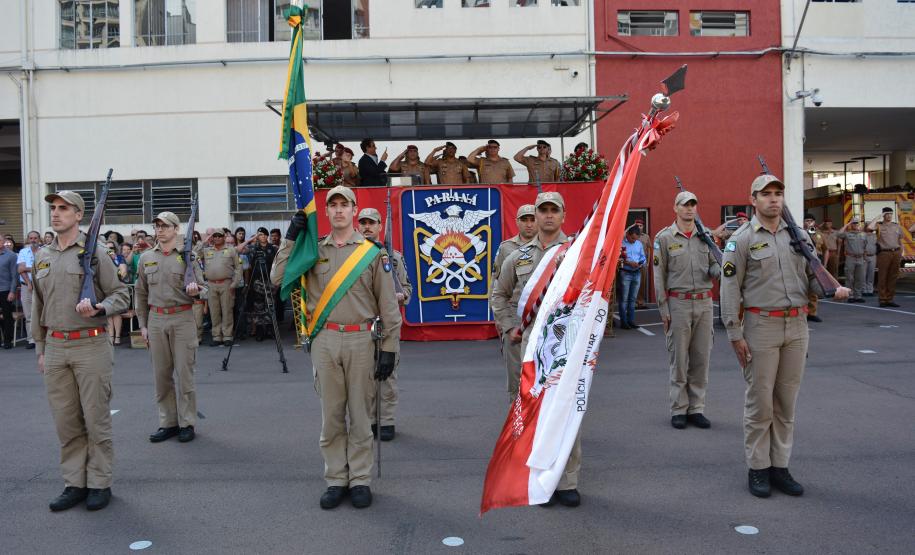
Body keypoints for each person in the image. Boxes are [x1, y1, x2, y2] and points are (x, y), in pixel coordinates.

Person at [270, 185, 401, 510]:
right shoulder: (312, 249)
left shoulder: (372, 253)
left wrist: (388, 349)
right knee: (331, 416)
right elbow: (278, 278)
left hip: (361, 340)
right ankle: (336, 479)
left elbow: (388, 307)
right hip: (325, 340)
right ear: (326, 211)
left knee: (360, 415)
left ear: (354, 210)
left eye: (345, 204)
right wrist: (290, 239)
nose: (339, 210)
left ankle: (360, 479)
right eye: (334, 205)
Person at [720, 174, 850, 499]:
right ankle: (758, 468)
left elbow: (811, 277)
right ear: (753, 199)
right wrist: (734, 334)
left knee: (786, 403)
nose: (773, 199)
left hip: (797, 327)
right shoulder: (741, 240)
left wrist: (832, 288)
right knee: (760, 402)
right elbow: (729, 289)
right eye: (766, 194)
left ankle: (780, 466)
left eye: (778, 193)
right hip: (760, 326)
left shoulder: (799, 236)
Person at [32, 190, 130, 511]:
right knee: (66, 421)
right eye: (54, 208)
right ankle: (74, 483)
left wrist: (101, 307)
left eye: (64, 208)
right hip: (56, 346)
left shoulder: (95, 253)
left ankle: (99, 482)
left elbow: (121, 295)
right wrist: (41, 348)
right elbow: (37, 305)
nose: (56, 213)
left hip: (90, 343)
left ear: (78, 215)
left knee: (96, 418)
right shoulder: (43, 255)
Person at [492, 192, 583, 507]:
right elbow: (499, 293)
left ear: (563, 215)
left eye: (553, 210)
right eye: (542, 210)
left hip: (564, 341)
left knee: (564, 408)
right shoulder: (517, 256)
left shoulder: (577, 252)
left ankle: (567, 479)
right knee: (531, 408)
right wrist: (508, 327)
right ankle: (536, 478)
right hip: (528, 343)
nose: (547, 215)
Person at [135, 211, 207, 444]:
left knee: (185, 374)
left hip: (182, 317)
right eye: (157, 225)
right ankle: (168, 423)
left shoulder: (188, 256)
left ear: (176, 229)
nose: (160, 229)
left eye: (165, 226)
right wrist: (142, 324)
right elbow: (140, 293)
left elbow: (204, 288)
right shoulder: (146, 257)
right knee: (161, 376)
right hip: (156, 319)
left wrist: (196, 291)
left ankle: (187, 423)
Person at [653, 191, 719, 430]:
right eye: (684, 205)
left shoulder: (705, 236)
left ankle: (696, 408)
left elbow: (714, 266)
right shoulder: (664, 238)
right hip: (678, 303)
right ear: (675, 208)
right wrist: (663, 309)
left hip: (704, 303)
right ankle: (679, 409)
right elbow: (659, 276)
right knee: (679, 360)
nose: (689, 208)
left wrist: (725, 269)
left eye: (693, 204)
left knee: (701, 359)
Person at [357, 207, 412, 442]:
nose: (367, 227)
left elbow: (407, 289)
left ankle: (386, 420)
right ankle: (369, 419)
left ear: (380, 226)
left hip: (387, 323)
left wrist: (399, 296)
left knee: (387, 374)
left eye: (372, 223)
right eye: (363, 223)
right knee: (364, 375)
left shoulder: (393, 257)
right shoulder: (352, 257)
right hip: (362, 324)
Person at [201, 229, 241, 347]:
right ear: (212, 238)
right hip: (211, 284)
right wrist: (204, 242)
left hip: (226, 284)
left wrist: (235, 283)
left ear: (224, 237)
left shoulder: (231, 250)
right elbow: (193, 253)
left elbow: (238, 268)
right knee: (214, 312)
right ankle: (217, 336)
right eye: (215, 236)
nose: (217, 238)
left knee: (227, 310)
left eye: (220, 236)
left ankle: (227, 336)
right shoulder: (207, 250)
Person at [867, 207, 904, 308]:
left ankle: (890, 299)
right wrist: (878, 217)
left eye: (891, 214)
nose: (889, 216)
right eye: (887, 214)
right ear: (883, 215)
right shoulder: (879, 225)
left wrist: (901, 253)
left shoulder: (897, 226)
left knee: (893, 277)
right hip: (884, 253)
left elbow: (900, 241)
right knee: (883, 277)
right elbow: (870, 227)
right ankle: (882, 299)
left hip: (896, 252)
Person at [492, 205, 537, 282]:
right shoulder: (505, 247)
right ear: (517, 222)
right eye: (524, 220)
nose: (529, 225)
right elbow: (496, 278)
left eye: (533, 220)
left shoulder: (549, 247)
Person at [248, 227, 278, 341]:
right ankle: (260, 330)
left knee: (270, 305)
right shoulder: (253, 248)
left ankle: (270, 329)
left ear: (267, 236)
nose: (263, 236)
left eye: (265, 234)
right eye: (260, 235)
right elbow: (240, 251)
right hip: (257, 281)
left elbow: (277, 264)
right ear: (257, 236)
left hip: (270, 280)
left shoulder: (273, 248)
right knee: (258, 306)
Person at [16, 230, 42, 349]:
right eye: (31, 238)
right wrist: (28, 283)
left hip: (41, 285)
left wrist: (27, 268)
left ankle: (42, 338)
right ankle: (31, 339)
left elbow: (45, 267)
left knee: (42, 313)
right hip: (27, 286)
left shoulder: (44, 251)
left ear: (39, 239)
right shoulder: (23, 252)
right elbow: (20, 270)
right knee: (29, 315)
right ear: (28, 239)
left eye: (35, 238)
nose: (33, 240)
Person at [618, 226, 646, 330]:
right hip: (625, 273)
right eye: (632, 238)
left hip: (637, 272)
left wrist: (641, 263)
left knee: (633, 299)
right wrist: (629, 263)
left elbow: (643, 257)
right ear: (627, 235)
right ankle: (624, 322)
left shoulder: (639, 244)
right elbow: (618, 258)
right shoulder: (621, 243)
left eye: (636, 239)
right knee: (624, 299)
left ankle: (631, 320)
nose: (634, 241)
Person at [802, 214, 827, 322]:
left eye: (811, 220)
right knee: (802, 288)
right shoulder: (799, 232)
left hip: (816, 261)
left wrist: (824, 264)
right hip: (803, 261)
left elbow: (826, 249)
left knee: (813, 289)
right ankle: (802, 312)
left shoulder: (818, 234)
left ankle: (812, 313)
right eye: (807, 220)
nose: (809, 222)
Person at [836, 218, 867, 303]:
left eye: (857, 223)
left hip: (860, 258)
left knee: (859, 278)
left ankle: (858, 296)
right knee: (849, 278)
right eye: (854, 223)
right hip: (851, 258)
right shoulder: (847, 234)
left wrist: (865, 259)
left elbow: (865, 247)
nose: (855, 225)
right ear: (851, 224)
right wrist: (847, 224)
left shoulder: (863, 234)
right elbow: (839, 234)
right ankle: (850, 295)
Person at [105, 241, 129, 346]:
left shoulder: (119, 257)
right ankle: (111, 336)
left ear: (115, 248)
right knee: (108, 312)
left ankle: (117, 337)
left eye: (111, 248)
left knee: (116, 312)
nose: (109, 250)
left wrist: (114, 258)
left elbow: (123, 273)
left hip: (118, 287)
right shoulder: (103, 258)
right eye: (107, 248)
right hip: (106, 287)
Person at [0, 237, 19, 349]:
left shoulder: (11, 255)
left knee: (7, 316)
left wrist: (12, 291)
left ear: (3, 242)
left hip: (5, 289)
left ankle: (8, 340)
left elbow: (14, 275)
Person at [634, 218, 652, 309]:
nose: (639, 227)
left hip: (643, 263)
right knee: (633, 282)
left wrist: (648, 262)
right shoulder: (632, 235)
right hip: (633, 262)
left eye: (641, 226)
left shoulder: (646, 237)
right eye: (637, 226)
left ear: (643, 227)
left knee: (642, 283)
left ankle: (640, 301)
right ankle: (633, 301)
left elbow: (649, 249)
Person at [863, 225, 878, 297]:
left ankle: (870, 290)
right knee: (863, 274)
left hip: (873, 256)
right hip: (864, 256)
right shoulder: (862, 235)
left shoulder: (875, 236)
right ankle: (864, 290)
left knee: (871, 274)